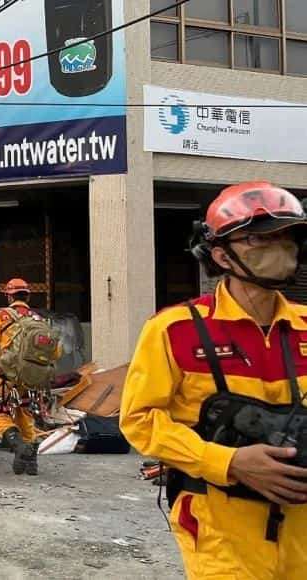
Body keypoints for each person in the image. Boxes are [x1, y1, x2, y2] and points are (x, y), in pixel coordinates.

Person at [120, 181, 307, 578]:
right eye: (260, 239)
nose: (280, 248)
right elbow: (139, 419)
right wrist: (230, 461)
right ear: (221, 254)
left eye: (286, 237)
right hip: (220, 523)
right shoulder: (174, 329)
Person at [0, 278, 61, 475]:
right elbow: (56, 351)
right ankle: (30, 462)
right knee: (25, 414)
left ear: (9, 296)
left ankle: (19, 446)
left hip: (7, 376)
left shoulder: (0, 318)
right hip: (31, 379)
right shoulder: (38, 319)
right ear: (27, 296)